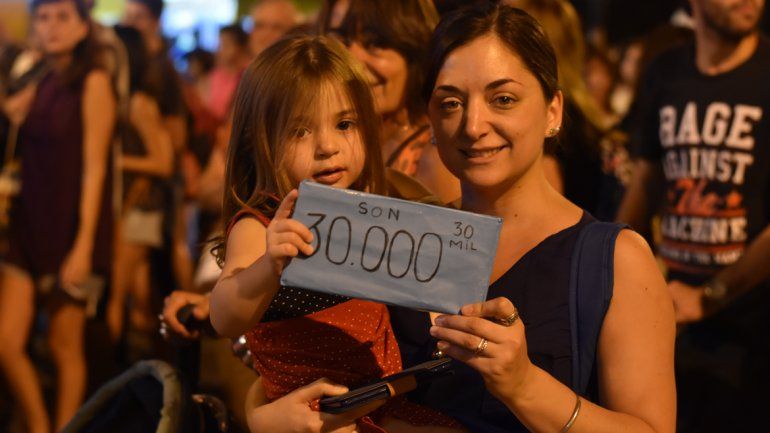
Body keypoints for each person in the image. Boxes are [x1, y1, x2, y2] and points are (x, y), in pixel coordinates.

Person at [247, 5, 676, 433]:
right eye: (451, 103)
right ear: (431, 119)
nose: (473, 125)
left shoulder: (615, 260)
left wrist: (525, 387)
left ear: (553, 110)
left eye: (503, 99)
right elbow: (303, 354)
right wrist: (261, 416)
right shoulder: (394, 234)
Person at [208, 34, 463, 433]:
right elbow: (224, 317)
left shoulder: (373, 205)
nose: (327, 146)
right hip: (315, 410)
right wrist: (269, 265)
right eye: (299, 131)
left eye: (344, 124)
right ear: (261, 140)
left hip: (381, 396)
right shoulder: (263, 223)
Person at [616, 0, 770, 431]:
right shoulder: (666, 71)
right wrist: (624, 273)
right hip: (671, 317)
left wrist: (710, 296)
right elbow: (646, 182)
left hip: (750, 329)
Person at [0, 1, 115, 432]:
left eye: (63, 17)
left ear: (84, 27)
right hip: (30, 221)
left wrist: (83, 245)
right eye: (43, 18)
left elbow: (96, 167)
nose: (51, 27)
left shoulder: (94, 80)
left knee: (65, 345)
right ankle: (39, 425)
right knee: (6, 342)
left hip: (71, 224)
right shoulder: (41, 76)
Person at [320, 0, 461, 204]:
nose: (352, 60)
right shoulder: (329, 144)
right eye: (341, 41)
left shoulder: (435, 159)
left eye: (374, 43)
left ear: (416, 52)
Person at [105, 25, 174, 342]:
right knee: (137, 293)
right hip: (135, 205)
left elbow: (163, 161)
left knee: (117, 293)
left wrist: (116, 161)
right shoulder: (124, 99)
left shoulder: (139, 103)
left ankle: (111, 361)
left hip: (142, 207)